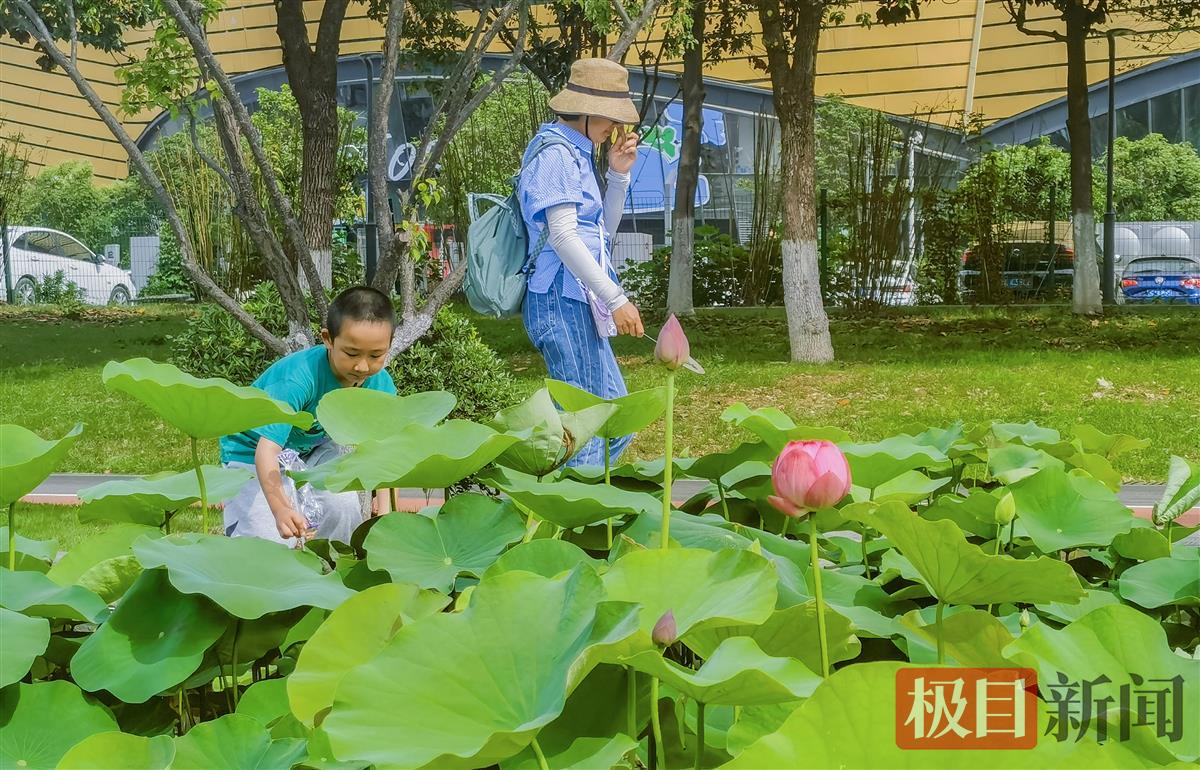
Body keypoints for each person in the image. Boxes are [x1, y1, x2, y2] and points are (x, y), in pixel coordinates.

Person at [518, 57, 646, 467]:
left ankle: (563, 496)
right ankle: (570, 517)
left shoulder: (577, 154)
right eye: (609, 116)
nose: (614, 127)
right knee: (585, 424)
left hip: (579, 298)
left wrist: (619, 175)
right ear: (585, 110)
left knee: (616, 420)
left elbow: (600, 237)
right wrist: (616, 297)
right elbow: (563, 237)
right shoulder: (555, 155)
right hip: (561, 298)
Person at [219, 285, 397, 546]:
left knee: (343, 507)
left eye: (376, 355)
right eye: (351, 353)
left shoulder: (379, 384)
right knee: (270, 543)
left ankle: (329, 571)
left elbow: (382, 449)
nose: (362, 366)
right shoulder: (298, 379)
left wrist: (384, 511)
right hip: (252, 449)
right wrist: (281, 509)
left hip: (312, 448)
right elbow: (266, 450)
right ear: (327, 339)